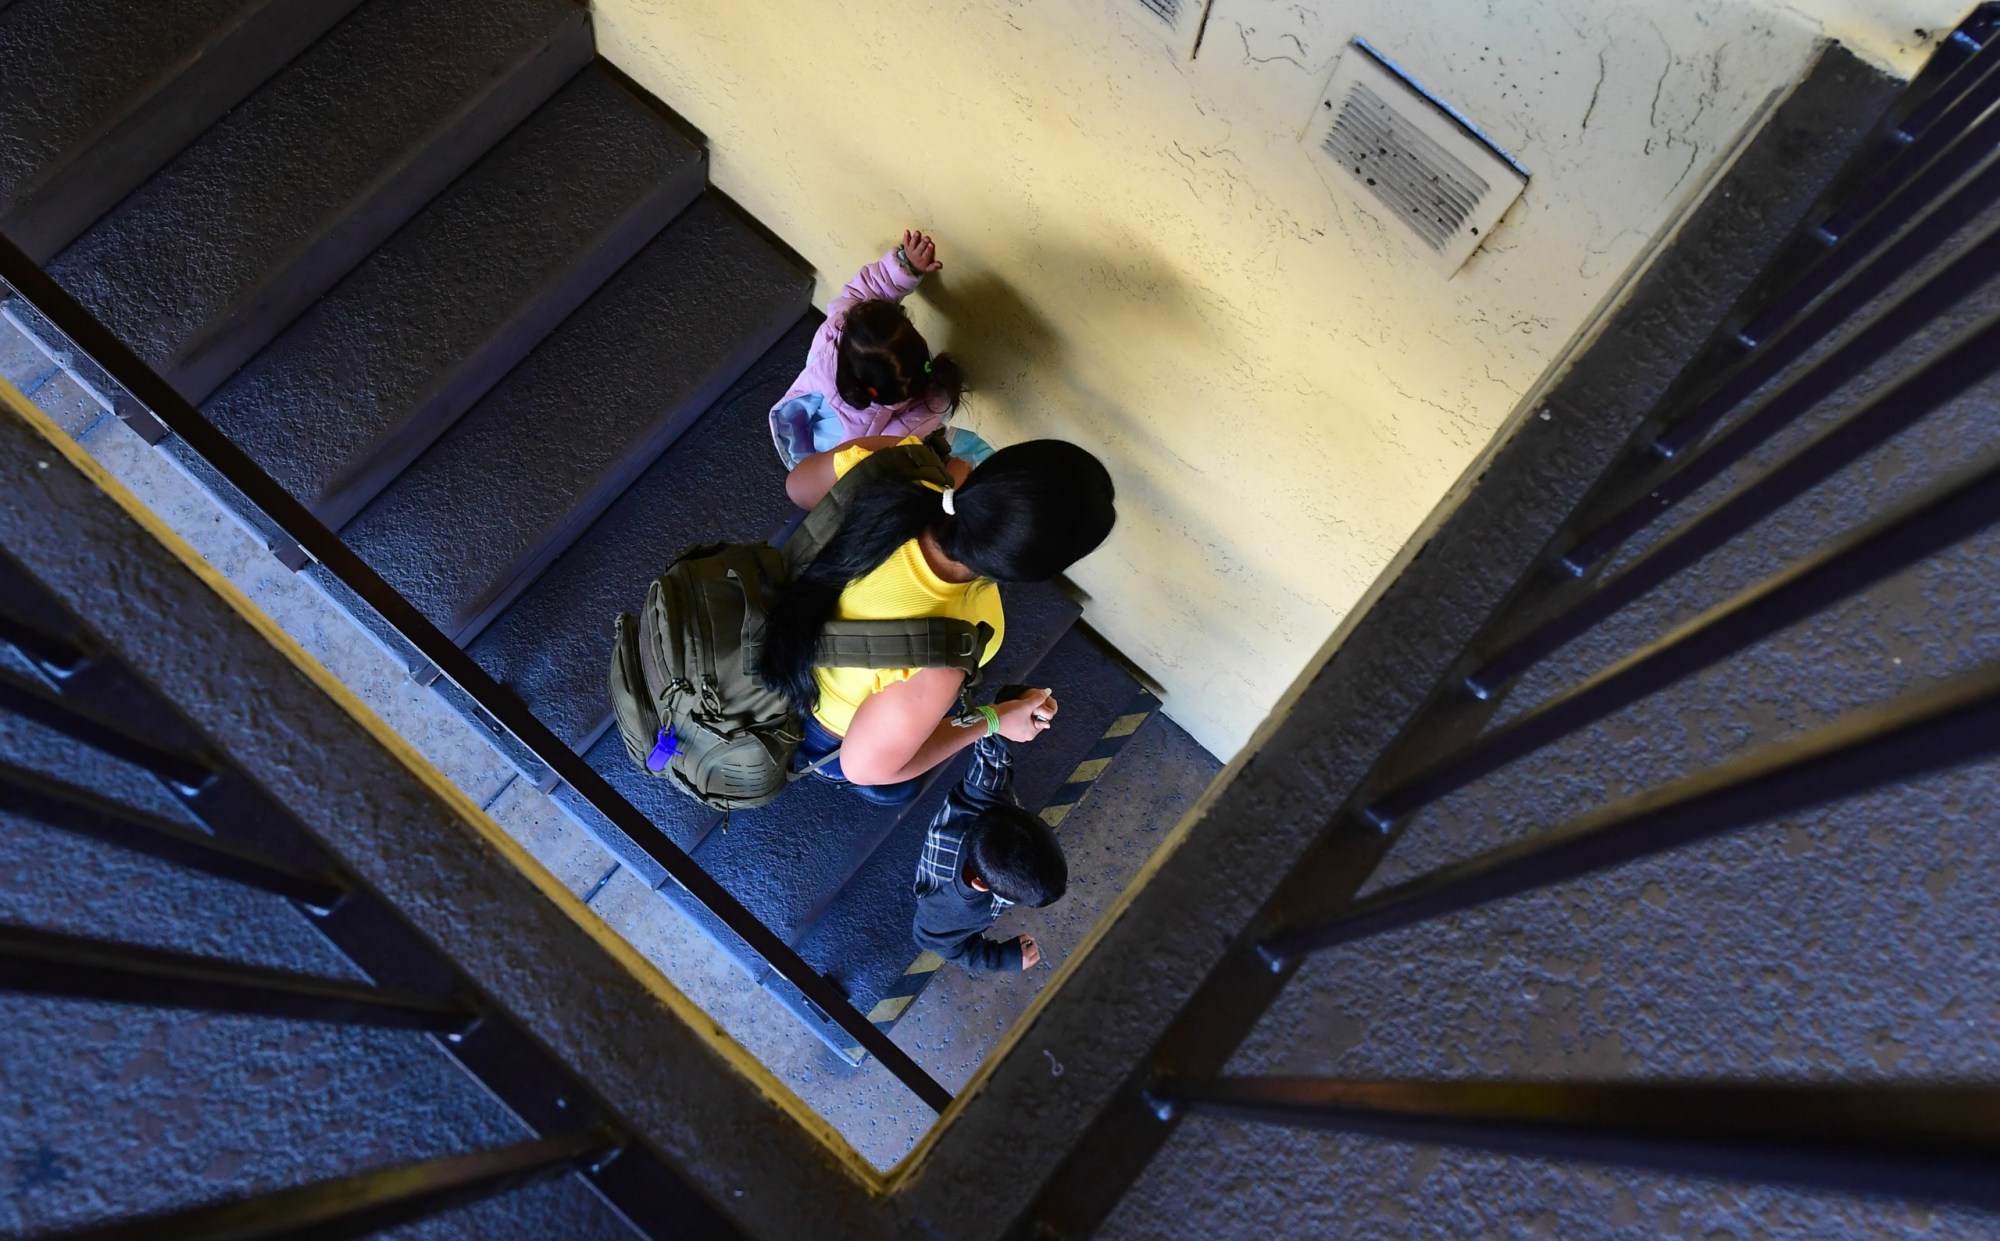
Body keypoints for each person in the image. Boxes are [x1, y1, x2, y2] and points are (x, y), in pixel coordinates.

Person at [759, 435, 1116, 804]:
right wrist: (996, 719)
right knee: (899, 787)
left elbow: (798, 486)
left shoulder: (892, 465)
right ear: (1030, 571)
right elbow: (862, 768)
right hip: (812, 727)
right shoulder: (946, 652)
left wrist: (936, 472)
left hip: (763, 620)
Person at [768, 228, 974, 470]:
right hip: (838, 455)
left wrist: (906, 266)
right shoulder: (870, 439)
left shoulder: (841, 326)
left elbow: (867, 290)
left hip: (818, 432)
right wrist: (940, 396)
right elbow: (912, 431)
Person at [912, 715, 1066, 972]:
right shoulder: (948, 914)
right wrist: (999, 958)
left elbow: (995, 729)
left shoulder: (988, 791)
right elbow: (928, 939)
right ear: (981, 884)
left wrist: (1021, 704)